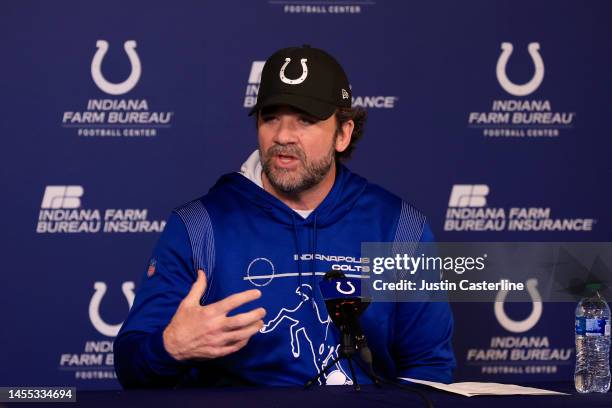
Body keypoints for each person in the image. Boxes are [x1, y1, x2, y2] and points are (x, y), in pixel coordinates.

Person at [114, 45, 455, 388]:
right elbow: (130, 368)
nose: (282, 136)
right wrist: (170, 347)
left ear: (343, 133)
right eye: (270, 117)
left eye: (305, 120)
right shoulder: (199, 226)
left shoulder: (399, 228)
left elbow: (428, 368)